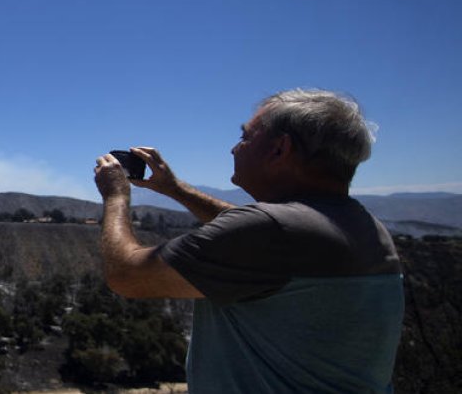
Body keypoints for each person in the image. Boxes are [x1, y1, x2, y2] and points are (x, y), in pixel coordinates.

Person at [93, 89, 403, 393]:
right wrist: (176, 189)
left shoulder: (270, 231)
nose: (234, 149)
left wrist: (116, 195)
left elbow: (126, 275)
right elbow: (254, 232)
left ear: (280, 149)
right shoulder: (361, 224)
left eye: (245, 137)